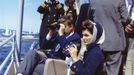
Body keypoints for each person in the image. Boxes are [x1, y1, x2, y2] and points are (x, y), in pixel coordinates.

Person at [75, 0, 134, 75]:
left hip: (98, 42)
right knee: (113, 72)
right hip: (115, 43)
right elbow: (126, 19)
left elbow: (90, 20)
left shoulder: (93, 1)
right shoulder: (119, 1)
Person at [17, 15, 81, 75]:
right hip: (48, 57)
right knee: (32, 53)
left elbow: (68, 53)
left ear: (71, 27)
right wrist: (50, 33)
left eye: (64, 26)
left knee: (34, 67)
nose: (62, 29)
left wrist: (61, 35)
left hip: (58, 62)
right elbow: (43, 46)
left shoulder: (75, 38)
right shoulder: (59, 35)